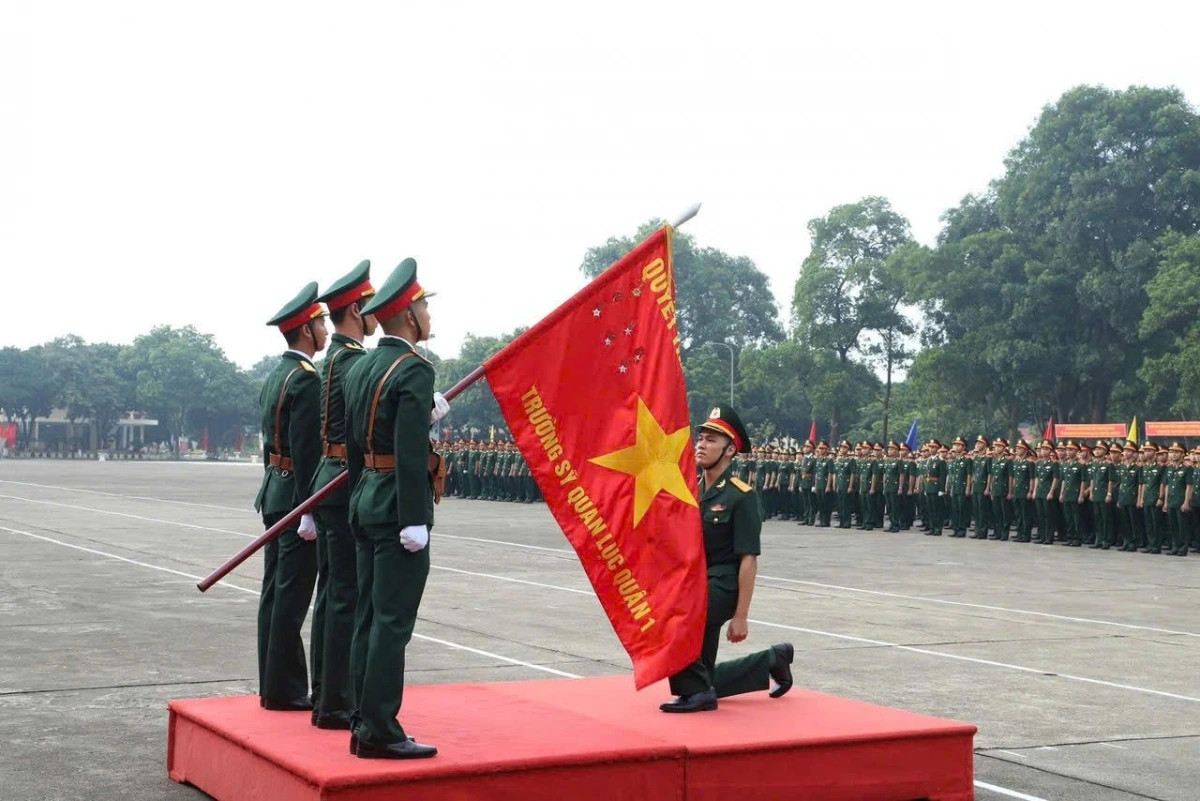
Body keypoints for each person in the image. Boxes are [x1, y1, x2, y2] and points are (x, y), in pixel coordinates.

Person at [344, 258, 449, 758]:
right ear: (409, 315)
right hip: (395, 509)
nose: (430, 314)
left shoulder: (362, 365)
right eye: (425, 306)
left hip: (365, 497)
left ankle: (362, 717)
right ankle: (381, 729)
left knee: (367, 616)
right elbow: (408, 453)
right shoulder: (414, 370)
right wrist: (414, 518)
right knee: (391, 622)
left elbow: (357, 442)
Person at [659, 405, 794, 713]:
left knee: (677, 617)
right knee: (701, 678)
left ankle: (700, 693)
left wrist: (741, 615)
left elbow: (749, 559)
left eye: (711, 440)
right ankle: (772, 659)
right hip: (695, 581)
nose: (701, 445)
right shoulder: (689, 488)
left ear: (730, 450)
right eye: (701, 438)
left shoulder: (741, 495)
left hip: (723, 582)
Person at [308, 260, 377, 729]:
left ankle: (324, 695)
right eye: (372, 307)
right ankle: (336, 702)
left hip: (325, 477)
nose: (378, 314)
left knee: (332, 591)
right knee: (345, 596)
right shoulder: (353, 361)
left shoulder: (330, 358)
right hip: (343, 481)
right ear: (356, 309)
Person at [254, 282, 328, 710]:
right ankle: (285, 690)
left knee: (273, 593)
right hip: (295, 498)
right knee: (292, 595)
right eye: (319, 323)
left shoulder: (276, 375)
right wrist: (309, 509)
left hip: (274, 490)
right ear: (305, 330)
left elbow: (271, 447)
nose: (323, 329)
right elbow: (306, 451)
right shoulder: (305, 381)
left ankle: (273, 682)